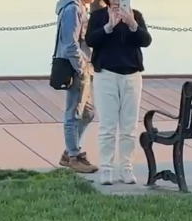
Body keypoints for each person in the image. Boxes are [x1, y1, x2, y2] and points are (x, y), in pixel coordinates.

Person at [85, 1, 153, 186]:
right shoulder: (98, 16)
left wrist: (132, 24)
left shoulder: (135, 15)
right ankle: (106, 168)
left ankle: (126, 167)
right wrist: (109, 26)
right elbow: (90, 40)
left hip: (132, 75)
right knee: (107, 126)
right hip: (106, 75)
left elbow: (146, 41)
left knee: (129, 125)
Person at [54, 0, 97, 173]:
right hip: (77, 69)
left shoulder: (78, 7)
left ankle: (70, 151)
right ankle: (73, 156)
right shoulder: (72, 9)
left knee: (88, 112)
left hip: (83, 67)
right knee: (74, 112)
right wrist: (82, 68)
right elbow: (70, 44)